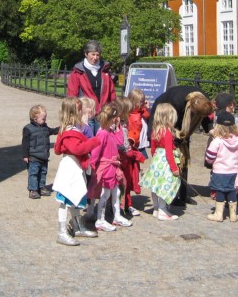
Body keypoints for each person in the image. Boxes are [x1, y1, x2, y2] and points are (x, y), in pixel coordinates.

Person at [148, 86, 214, 206]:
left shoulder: (203, 99)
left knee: (183, 159)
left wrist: (210, 129)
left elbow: (206, 117)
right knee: (173, 162)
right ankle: (170, 195)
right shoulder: (177, 102)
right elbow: (172, 122)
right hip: (166, 116)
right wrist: (176, 139)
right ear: (192, 110)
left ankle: (183, 195)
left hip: (181, 122)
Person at [52, 97, 101, 246]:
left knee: (75, 197)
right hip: (70, 167)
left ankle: (77, 226)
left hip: (75, 166)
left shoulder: (71, 129)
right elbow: (77, 148)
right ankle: (61, 231)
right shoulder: (69, 131)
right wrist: (94, 141)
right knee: (65, 200)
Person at [87, 100, 131, 232]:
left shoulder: (110, 131)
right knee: (104, 194)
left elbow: (119, 142)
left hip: (113, 167)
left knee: (116, 192)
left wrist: (117, 129)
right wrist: (93, 166)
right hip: (106, 167)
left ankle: (117, 216)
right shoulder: (102, 133)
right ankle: (100, 219)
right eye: (115, 119)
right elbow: (96, 151)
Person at [204, 111, 238, 223]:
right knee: (231, 191)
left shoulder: (217, 141)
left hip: (220, 171)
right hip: (233, 171)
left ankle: (218, 214)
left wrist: (211, 161)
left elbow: (209, 157)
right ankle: (233, 215)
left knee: (220, 191)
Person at [140, 102, 181, 221]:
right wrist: (174, 168)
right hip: (165, 161)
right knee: (164, 185)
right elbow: (169, 152)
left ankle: (156, 208)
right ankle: (163, 209)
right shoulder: (167, 133)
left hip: (156, 160)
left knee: (156, 185)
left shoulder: (155, 131)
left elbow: (153, 149)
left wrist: (155, 160)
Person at [66, 40, 117, 116]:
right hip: (85, 113)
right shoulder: (78, 72)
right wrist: (73, 113)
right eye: (93, 54)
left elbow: (111, 92)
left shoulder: (105, 71)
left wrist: (113, 108)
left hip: (103, 113)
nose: (95, 57)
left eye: (98, 55)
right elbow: (72, 95)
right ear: (86, 54)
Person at [21, 104, 59, 199]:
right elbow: (25, 143)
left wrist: (61, 128)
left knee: (43, 173)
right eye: (43, 119)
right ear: (35, 118)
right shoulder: (28, 129)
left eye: (45, 118)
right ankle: (33, 190)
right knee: (33, 173)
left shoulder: (45, 127)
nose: (45, 120)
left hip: (44, 156)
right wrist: (25, 155)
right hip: (33, 157)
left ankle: (41, 187)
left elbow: (53, 131)